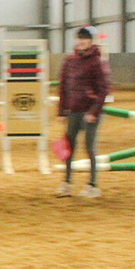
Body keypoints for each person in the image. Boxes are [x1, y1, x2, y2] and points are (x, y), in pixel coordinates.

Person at [57, 25, 110, 198]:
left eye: (85, 38)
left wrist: (93, 112)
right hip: (73, 110)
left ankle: (92, 184)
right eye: (79, 38)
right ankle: (66, 183)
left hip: (89, 112)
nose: (81, 41)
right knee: (68, 148)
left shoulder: (97, 62)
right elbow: (63, 86)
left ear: (91, 41)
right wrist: (61, 111)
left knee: (89, 148)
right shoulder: (69, 60)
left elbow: (103, 90)